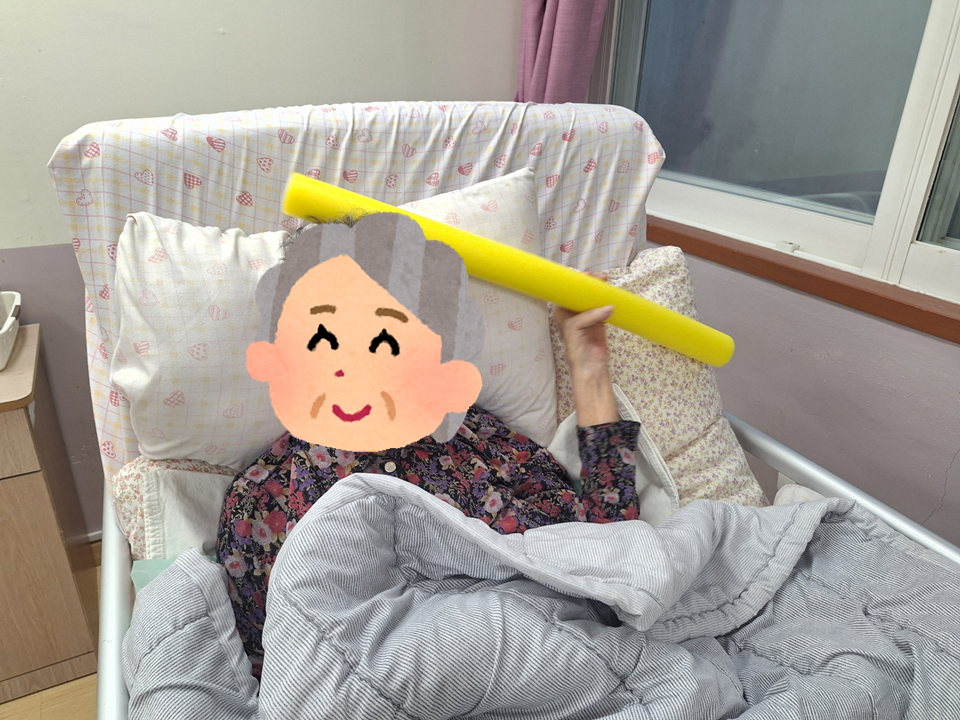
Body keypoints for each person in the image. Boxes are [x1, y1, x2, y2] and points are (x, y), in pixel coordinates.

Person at [218, 213, 642, 677]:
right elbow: (281, 676)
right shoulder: (259, 506)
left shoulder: (476, 440)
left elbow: (612, 554)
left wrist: (588, 364)